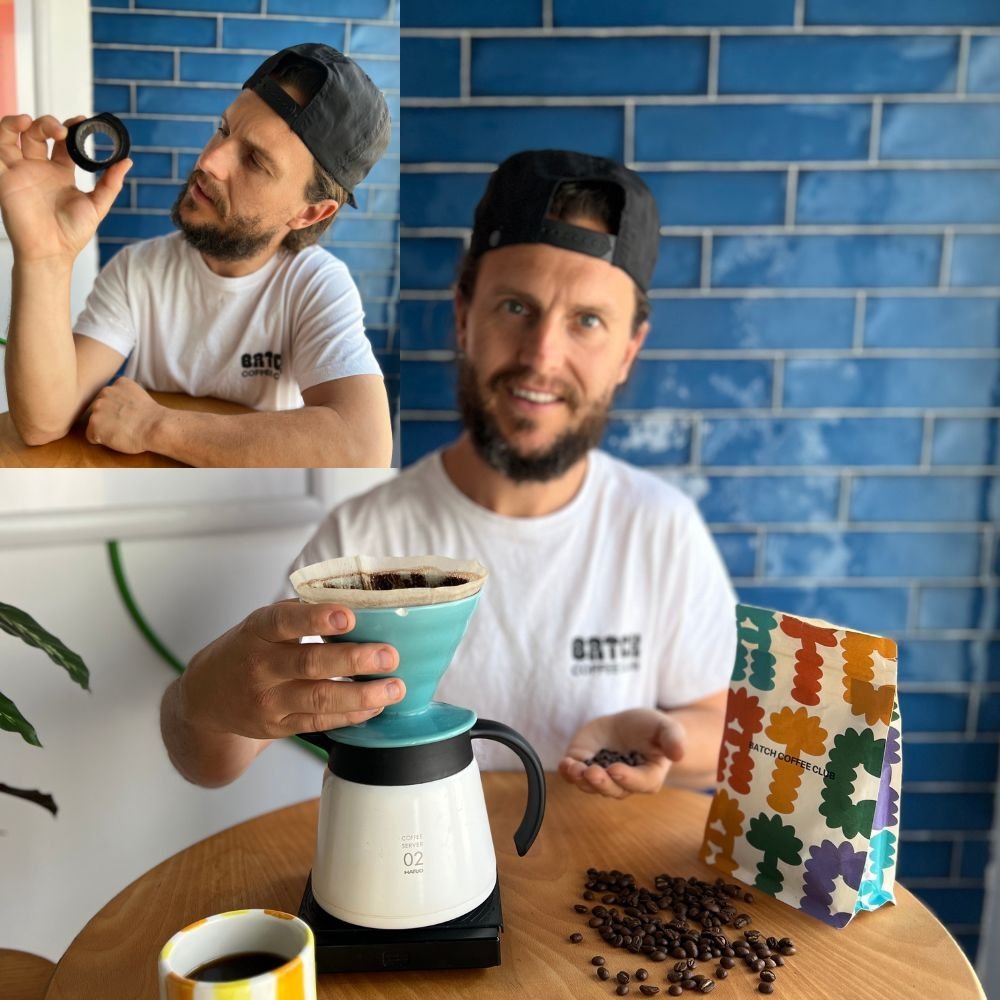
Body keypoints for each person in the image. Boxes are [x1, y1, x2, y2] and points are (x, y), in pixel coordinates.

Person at [161, 149, 737, 798]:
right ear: (464, 315)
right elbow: (208, 762)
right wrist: (204, 696)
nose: (542, 357)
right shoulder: (365, 538)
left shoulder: (660, 527)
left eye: (588, 322)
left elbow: (722, 731)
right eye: (516, 307)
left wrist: (664, 738)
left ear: (628, 351)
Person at [1, 43, 392, 467]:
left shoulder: (314, 286)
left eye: (256, 161)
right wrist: (44, 257)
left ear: (311, 212)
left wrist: (155, 426)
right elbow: (43, 421)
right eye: (224, 130)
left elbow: (363, 449)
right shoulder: (139, 270)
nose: (209, 160)